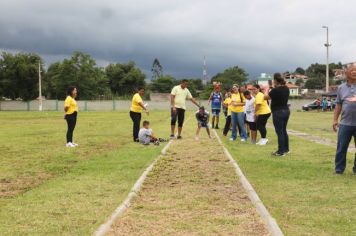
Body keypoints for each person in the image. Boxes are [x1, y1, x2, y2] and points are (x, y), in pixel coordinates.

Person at [333, 63, 356, 175]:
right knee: (341, 147)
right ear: (346, 72)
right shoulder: (341, 88)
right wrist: (335, 120)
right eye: (352, 70)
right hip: (345, 124)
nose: (354, 72)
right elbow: (338, 105)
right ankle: (339, 169)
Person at [264, 73, 290, 156]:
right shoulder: (286, 88)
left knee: (279, 132)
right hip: (286, 110)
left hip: (278, 112)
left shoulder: (275, 90)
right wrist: (272, 88)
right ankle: (286, 149)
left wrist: (266, 89)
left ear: (275, 80)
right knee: (284, 130)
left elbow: (265, 97)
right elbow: (277, 93)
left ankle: (280, 151)